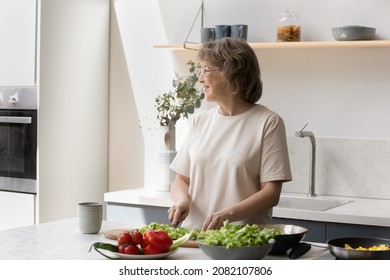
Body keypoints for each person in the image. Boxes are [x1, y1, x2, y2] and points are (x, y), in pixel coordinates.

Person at [167, 37, 292, 231]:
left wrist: (228, 215)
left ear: (230, 73)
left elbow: (271, 192)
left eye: (206, 70)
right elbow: (181, 180)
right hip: (194, 237)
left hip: (242, 240)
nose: (200, 78)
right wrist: (182, 200)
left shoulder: (268, 122)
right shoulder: (200, 121)